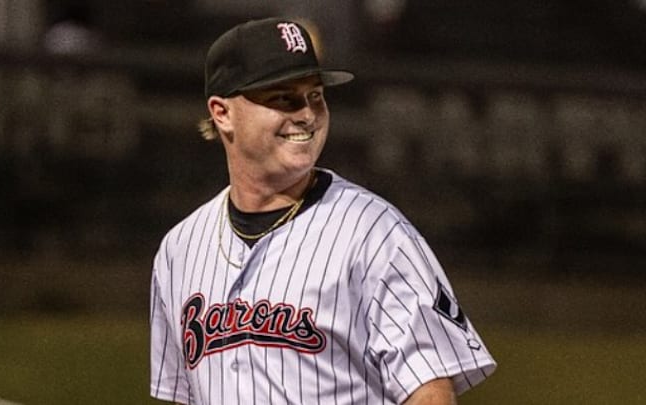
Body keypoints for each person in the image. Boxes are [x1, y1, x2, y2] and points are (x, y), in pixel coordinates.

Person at [150, 17, 496, 405]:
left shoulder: (375, 233)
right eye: (284, 98)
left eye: (315, 96)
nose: (307, 114)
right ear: (222, 112)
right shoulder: (179, 250)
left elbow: (430, 392)